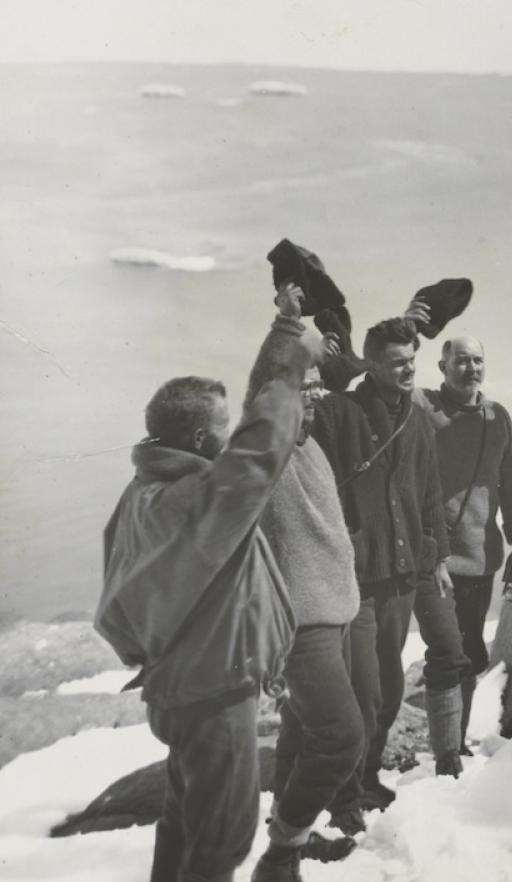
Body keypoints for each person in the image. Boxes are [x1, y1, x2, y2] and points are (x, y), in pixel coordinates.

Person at [97, 286, 318, 882]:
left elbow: (114, 597)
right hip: (214, 697)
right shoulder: (199, 499)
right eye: (222, 430)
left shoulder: (140, 494)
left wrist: (285, 330)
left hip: (179, 689)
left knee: (183, 825)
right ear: (199, 442)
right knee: (220, 843)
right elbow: (263, 446)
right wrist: (295, 359)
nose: (230, 437)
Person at [309, 313, 466, 827]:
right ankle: (344, 800)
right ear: (371, 365)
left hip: (402, 575)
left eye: (412, 361)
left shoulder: (417, 417)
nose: (407, 370)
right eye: (396, 362)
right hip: (357, 579)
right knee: (364, 693)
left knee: (391, 688)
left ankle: (368, 777)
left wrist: (438, 555)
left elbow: (429, 492)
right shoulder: (339, 413)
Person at [253, 359, 365, 881]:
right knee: (342, 737)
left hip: (332, 611)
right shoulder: (267, 449)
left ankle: (291, 840)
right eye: (306, 388)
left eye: (320, 388)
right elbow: (266, 383)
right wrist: (286, 325)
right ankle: (278, 857)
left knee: (300, 736)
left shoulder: (308, 446)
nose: (316, 397)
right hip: (302, 624)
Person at [415, 335, 512, 752]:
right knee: (447, 653)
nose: (471, 368)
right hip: (434, 560)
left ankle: (454, 745)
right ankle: (445, 754)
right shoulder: (423, 409)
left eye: (478, 360)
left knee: (466, 654)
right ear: (442, 366)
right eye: (461, 361)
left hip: (480, 558)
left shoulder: (497, 418)